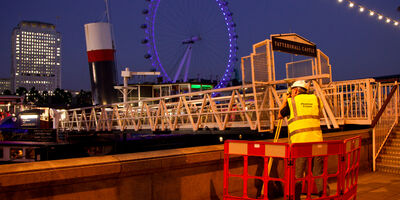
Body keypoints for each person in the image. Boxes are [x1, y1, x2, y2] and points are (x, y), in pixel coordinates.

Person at [278, 80, 329, 199]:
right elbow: (317, 114)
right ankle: (324, 196)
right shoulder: (316, 99)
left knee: (298, 175)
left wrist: (285, 99)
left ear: (295, 90)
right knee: (318, 173)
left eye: (291, 91)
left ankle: (296, 197)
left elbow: (280, 115)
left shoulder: (291, 102)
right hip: (317, 142)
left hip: (300, 144)